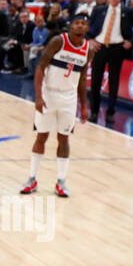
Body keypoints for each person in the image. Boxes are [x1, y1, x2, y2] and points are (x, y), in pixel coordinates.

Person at [21, 16, 90, 198]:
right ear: (71, 26)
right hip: (49, 94)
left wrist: (84, 106)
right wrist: (38, 96)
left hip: (69, 98)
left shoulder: (88, 50)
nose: (80, 26)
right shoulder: (58, 41)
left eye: (83, 24)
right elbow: (40, 67)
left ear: (87, 28)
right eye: (77, 23)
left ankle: (61, 181)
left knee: (64, 139)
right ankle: (32, 178)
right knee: (41, 136)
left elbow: (82, 79)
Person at [87, 0, 133, 125]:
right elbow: (87, 26)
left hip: (117, 48)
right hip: (100, 47)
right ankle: (94, 111)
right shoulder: (99, 10)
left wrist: (131, 41)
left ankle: (110, 112)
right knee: (95, 81)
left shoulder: (128, 11)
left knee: (114, 82)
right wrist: (90, 39)